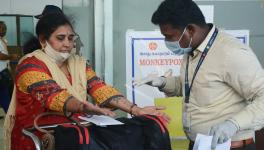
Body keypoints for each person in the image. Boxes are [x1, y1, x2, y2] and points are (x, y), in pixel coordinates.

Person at [3, 13, 170, 150]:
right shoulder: (30, 65)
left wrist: (136, 110)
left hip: (74, 136)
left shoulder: (79, 63)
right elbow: (52, 96)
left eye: (71, 38)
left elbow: (100, 89)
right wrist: (84, 107)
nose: (67, 44)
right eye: (60, 38)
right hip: (40, 138)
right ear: (43, 40)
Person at [145, 0, 264, 149]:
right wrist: (162, 82)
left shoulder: (231, 52)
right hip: (200, 145)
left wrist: (234, 124)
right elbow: (191, 86)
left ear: (190, 30)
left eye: (169, 36)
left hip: (231, 146)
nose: (166, 41)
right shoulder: (191, 49)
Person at [0, 21, 18, 113]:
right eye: (1, 28)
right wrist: (11, 56)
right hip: (1, 72)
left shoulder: (3, 40)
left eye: (5, 28)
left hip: (4, 70)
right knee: (4, 94)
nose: (3, 30)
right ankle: (9, 114)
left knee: (5, 92)